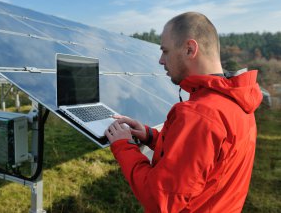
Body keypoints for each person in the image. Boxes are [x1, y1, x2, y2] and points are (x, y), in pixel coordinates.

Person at [105, 12, 263, 213]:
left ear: (190, 49)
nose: (161, 61)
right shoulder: (236, 101)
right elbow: (204, 160)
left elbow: (159, 200)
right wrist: (150, 136)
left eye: (165, 51)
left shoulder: (200, 115)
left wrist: (123, 146)